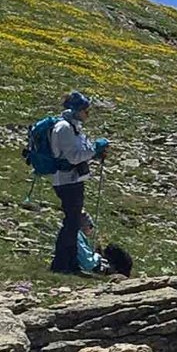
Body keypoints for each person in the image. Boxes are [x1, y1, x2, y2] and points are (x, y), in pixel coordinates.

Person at [45, 91, 109, 274]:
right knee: (71, 222)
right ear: (75, 110)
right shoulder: (64, 128)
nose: (87, 113)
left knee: (72, 223)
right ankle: (62, 264)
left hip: (73, 179)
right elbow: (73, 157)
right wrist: (94, 150)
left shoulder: (73, 127)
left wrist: (93, 152)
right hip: (66, 180)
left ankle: (70, 262)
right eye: (84, 110)